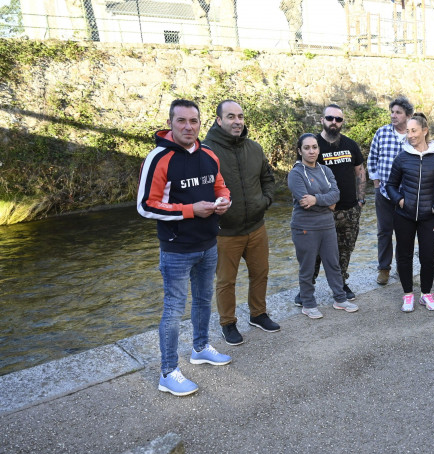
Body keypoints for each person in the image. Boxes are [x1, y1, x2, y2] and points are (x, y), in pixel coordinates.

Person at [137, 99, 233, 396]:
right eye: (182, 121)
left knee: (204, 301)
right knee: (174, 310)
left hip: (208, 243)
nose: (188, 127)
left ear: (201, 124)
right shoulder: (159, 157)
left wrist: (224, 200)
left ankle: (201, 347)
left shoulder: (209, 155)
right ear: (171, 123)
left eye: (194, 121)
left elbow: (219, 185)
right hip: (176, 248)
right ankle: (168, 372)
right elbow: (146, 206)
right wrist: (190, 210)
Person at [203, 100, 279, 347]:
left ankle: (258, 314)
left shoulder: (254, 148)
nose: (237, 121)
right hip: (225, 231)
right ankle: (228, 323)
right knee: (226, 280)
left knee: (261, 272)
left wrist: (264, 201)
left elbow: (268, 178)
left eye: (240, 117)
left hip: (256, 226)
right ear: (219, 120)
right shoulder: (205, 152)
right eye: (231, 117)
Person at [385, 113, 434, 312]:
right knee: (404, 256)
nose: (410, 135)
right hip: (404, 215)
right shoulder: (402, 158)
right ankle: (408, 295)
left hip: (429, 216)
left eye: (414, 131)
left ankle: (426, 294)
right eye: (407, 131)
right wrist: (400, 200)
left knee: (428, 256)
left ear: (424, 131)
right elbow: (390, 185)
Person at [289, 133, 359, 319]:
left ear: (319, 149)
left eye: (314, 147)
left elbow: (336, 195)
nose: (311, 151)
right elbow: (304, 202)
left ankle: (340, 299)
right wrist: (325, 201)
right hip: (305, 227)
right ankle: (308, 303)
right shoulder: (296, 173)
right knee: (308, 267)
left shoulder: (325, 171)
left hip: (327, 225)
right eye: (307, 148)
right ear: (299, 150)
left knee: (333, 264)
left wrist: (316, 199)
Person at [312, 103, 366, 302]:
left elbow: (360, 171)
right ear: (322, 120)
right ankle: (307, 288)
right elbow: (304, 175)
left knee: (345, 249)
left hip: (350, 210)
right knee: (315, 252)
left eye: (338, 119)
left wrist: (360, 201)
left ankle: (341, 283)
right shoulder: (312, 145)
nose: (334, 122)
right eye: (330, 118)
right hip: (322, 211)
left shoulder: (350, 145)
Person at [368, 96, 414, 286]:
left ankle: (403, 268)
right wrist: (377, 185)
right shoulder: (382, 132)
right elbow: (372, 159)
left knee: (405, 233)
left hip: (407, 194)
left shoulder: (414, 135)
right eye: (392, 112)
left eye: (398, 113)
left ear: (408, 115)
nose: (393, 116)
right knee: (384, 232)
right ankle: (384, 269)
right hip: (385, 193)